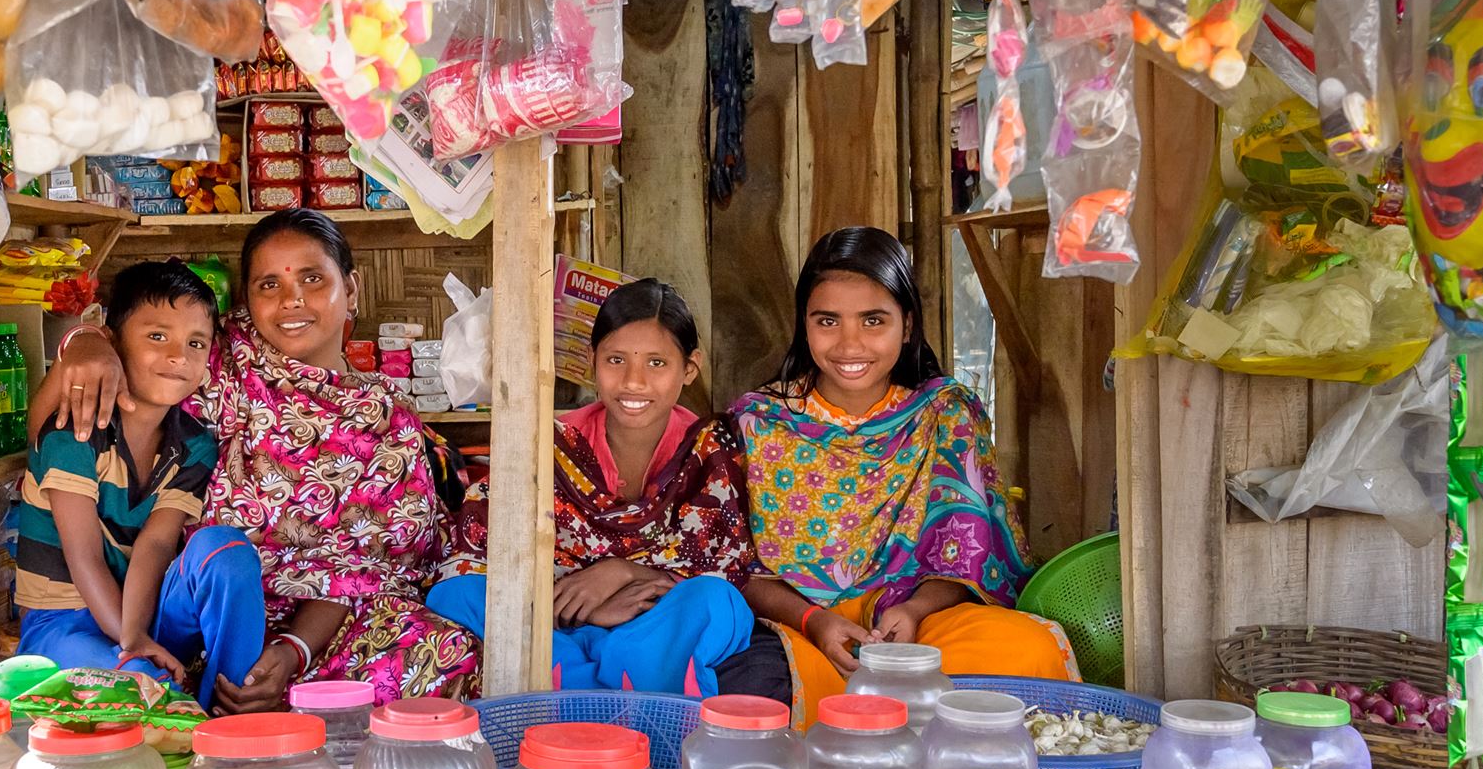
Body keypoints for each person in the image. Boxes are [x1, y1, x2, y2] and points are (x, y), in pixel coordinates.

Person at [34, 207, 478, 706]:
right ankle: (223, 709)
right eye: (269, 285)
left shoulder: (388, 421)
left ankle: (291, 724)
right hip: (197, 614)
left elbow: (369, 572)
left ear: (350, 289)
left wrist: (291, 651)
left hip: (326, 632)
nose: (292, 300)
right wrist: (85, 343)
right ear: (246, 300)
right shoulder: (217, 358)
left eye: (313, 279)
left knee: (449, 650)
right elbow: (118, 362)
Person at [732, 225, 1079, 718]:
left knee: (1028, 651)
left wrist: (915, 610)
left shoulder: (944, 413)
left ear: (908, 323)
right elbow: (735, 565)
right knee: (760, 689)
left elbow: (967, 557)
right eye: (828, 321)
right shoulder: (758, 423)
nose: (850, 344)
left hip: (913, 619)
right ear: (803, 324)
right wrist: (815, 621)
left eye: (873, 321)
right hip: (798, 627)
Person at [432, 278, 782, 698]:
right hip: (558, 618)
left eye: (657, 363)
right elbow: (479, 551)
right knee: (454, 594)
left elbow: (728, 567)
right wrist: (590, 610)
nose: (634, 382)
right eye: (616, 360)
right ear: (592, 360)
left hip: (652, 620)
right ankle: (619, 689)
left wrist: (623, 572)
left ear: (689, 368)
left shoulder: (709, 450)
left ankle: (572, 689)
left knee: (718, 602)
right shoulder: (550, 445)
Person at [8, 259, 265, 707]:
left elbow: (157, 544)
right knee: (140, 688)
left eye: (196, 343)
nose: (178, 356)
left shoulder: (195, 444)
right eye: (157, 336)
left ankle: (231, 700)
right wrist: (132, 643)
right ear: (111, 342)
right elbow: (84, 555)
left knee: (228, 551)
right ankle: (175, 705)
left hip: (139, 612)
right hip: (62, 622)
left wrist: (136, 633)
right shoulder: (74, 429)